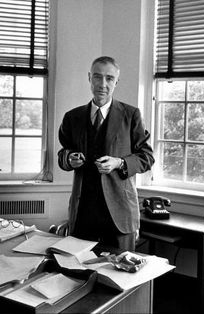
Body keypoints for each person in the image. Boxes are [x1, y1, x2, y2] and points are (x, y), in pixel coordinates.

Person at [58, 56, 154, 251]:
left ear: (116, 81)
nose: (103, 84)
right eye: (97, 77)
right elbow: (63, 153)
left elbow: (147, 157)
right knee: (80, 273)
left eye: (109, 78)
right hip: (83, 214)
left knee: (120, 275)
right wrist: (69, 159)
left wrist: (119, 162)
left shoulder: (131, 115)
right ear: (89, 78)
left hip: (119, 214)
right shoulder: (72, 117)